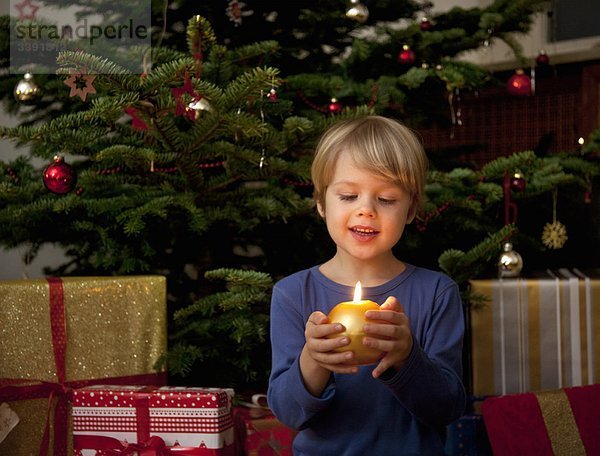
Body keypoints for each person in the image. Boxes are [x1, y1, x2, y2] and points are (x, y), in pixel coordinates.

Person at [267, 115, 466, 455]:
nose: (366, 210)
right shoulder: (293, 294)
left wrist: (406, 356)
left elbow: (446, 408)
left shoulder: (436, 293)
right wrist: (313, 360)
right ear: (320, 202)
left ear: (410, 210)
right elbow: (288, 413)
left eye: (386, 199)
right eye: (348, 196)